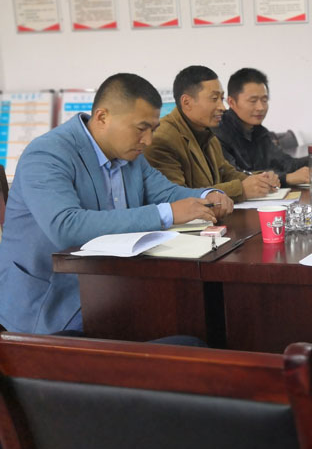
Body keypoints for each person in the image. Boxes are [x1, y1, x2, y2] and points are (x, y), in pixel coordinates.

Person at [0, 73, 233, 335]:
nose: (148, 140)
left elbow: (166, 193)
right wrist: (166, 214)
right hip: (53, 300)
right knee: (177, 327)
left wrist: (207, 196)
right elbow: (66, 226)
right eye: (141, 128)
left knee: (201, 313)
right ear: (102, 117)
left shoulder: (129, 154)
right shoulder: (48, 153)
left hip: (110, 282)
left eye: (153, 129)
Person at [145, 65, 280, 202]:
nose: (223, 107)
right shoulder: (162, 139)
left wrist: (261, 180)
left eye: (221, 98)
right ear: (187, 102)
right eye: (214, 99)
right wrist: (241, 190)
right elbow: (176, 197)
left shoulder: (207, 133)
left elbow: (227, 173)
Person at [213, 67, 312, 186]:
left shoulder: (259, 131)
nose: (260, 107)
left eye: (264, 100)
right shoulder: (218, 132)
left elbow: (285, 163)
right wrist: (286, 178)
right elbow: (233, 177)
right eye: (253, 101)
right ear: (231, 102)